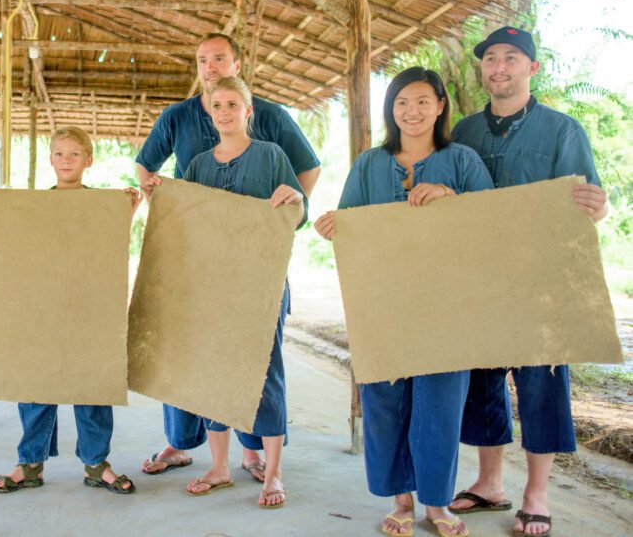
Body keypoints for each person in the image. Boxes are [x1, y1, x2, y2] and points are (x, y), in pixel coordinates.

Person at [314, 67, 494, 537]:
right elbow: (351, 224)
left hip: (447, 307)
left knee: (439, 405)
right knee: (387, 403)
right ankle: (401, 502)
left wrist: (450, 197)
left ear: (439, 105)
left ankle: (437, 505)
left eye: (420, 101)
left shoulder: (463, 161)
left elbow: (492, 223)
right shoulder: (369, 164)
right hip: (383, 305)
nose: (411, 112)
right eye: (400, 103)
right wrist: (335, 226)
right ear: (390, 111)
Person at [135, 33, 321, 481]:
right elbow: (146, 166)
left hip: (257, 266)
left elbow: (308, 169)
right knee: (193, 354)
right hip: (199, 263)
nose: (211, 66)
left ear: (238, 65)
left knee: (258, 357)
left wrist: (278, 220)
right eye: (203, 60)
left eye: (220, 58)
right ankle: (182, 443)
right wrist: (162, 201)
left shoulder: (272, 120)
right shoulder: (177, 117)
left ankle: (253, 449)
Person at [447, 27, 608, 537]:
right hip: (479, 280)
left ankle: (536, 494)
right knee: (482, 382)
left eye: (511, 58)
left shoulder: (563, 131)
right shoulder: (463, 133)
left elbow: (585, 206)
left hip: (540, 282)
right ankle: (489, 482)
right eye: (490, 58)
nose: (499, 67)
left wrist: (597, 207)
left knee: (541, 383)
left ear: (531, 68)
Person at [0, 126, 141, 495]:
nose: (66, 160)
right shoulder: (34, 206)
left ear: (89, 160)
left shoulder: (102, 204)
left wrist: (129, 208)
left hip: (88, 306)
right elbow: (15, 244)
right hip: (42, 309)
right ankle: (30, 463)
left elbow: (111, 245)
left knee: (93, 383)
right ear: (50, 160)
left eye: (74, 154)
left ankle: (96, 464)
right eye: (60, 154)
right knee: (35, 381)